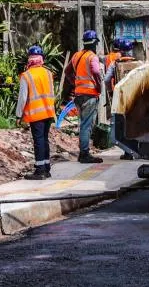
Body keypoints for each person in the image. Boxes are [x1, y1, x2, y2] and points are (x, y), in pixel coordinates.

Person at [63, 30, 104, 164]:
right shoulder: (92, 57)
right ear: (94, 43)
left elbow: (67, 71)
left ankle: (84, 151)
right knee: (87, 125)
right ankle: (84, 154)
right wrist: (99, 86)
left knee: (83, 124)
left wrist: (74, 82)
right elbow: (97, 72)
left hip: (79, 95)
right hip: (90, 95)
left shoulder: (76, 56)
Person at [17, 45, 56, 180]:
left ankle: (40, 170)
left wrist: (18, 115)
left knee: (38, 141)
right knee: (44, 140)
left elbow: (22, 98)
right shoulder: (48, 73)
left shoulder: (26, 75)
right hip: (49, 112)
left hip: (36, 114)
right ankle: (46, 168)